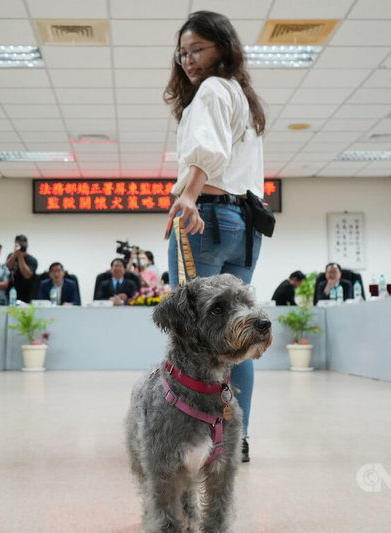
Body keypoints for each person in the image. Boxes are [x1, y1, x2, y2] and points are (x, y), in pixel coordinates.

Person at [163, 11, 266, 463]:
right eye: (183, 52)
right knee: (236, 337)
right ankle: (233, 438)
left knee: (192, 334)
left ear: (222, 48)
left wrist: (188, 194)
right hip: (245, 226)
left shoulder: (210, 90)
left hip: (205, 218)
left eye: (197, 49)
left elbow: (209, 150)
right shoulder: (243, 97)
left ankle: (194, 437)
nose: (188, 59)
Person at [5, 234, 39, 303]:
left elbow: (27, 275)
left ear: (27, 245)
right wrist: (15, 254)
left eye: (22, 245)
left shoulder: (32, 260)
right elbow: (6, 268)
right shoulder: (11, 256)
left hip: (26, 293)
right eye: (18, 245)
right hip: (12, 291)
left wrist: (20, 257)